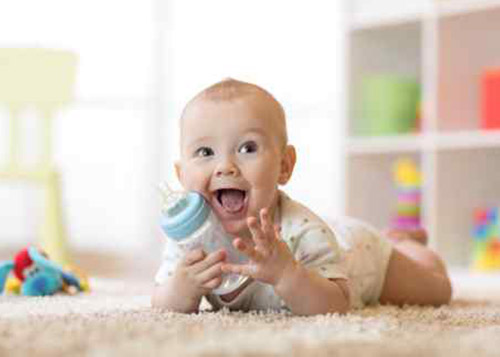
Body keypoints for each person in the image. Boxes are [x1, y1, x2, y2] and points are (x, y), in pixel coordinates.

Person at [151, 78, 452, 315]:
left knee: (437, 291)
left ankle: (404, 243)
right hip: (336, 235)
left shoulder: (302, 231)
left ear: (284, 166)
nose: (225, 166)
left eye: (247, 148)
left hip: (360, 254)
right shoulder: (191, 239)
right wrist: (181, 288)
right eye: (205, 152)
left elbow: (336, 305)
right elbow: (161, 300)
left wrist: (287, 274)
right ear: (181, 175)